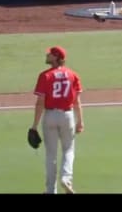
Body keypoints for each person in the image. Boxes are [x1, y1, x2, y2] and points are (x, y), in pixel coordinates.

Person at [31, 46, 84, 194]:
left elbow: (40, 102)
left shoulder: (45, 76)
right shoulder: (73, 75)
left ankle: (50, 191)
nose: (47, 55)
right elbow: (76, 102)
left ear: (55, 57)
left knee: (51, 155)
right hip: (67, 116)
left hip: (50, 116)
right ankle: (66, 178)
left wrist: (34, 125)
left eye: (49, 54)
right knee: (68, 150)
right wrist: (80, 121)